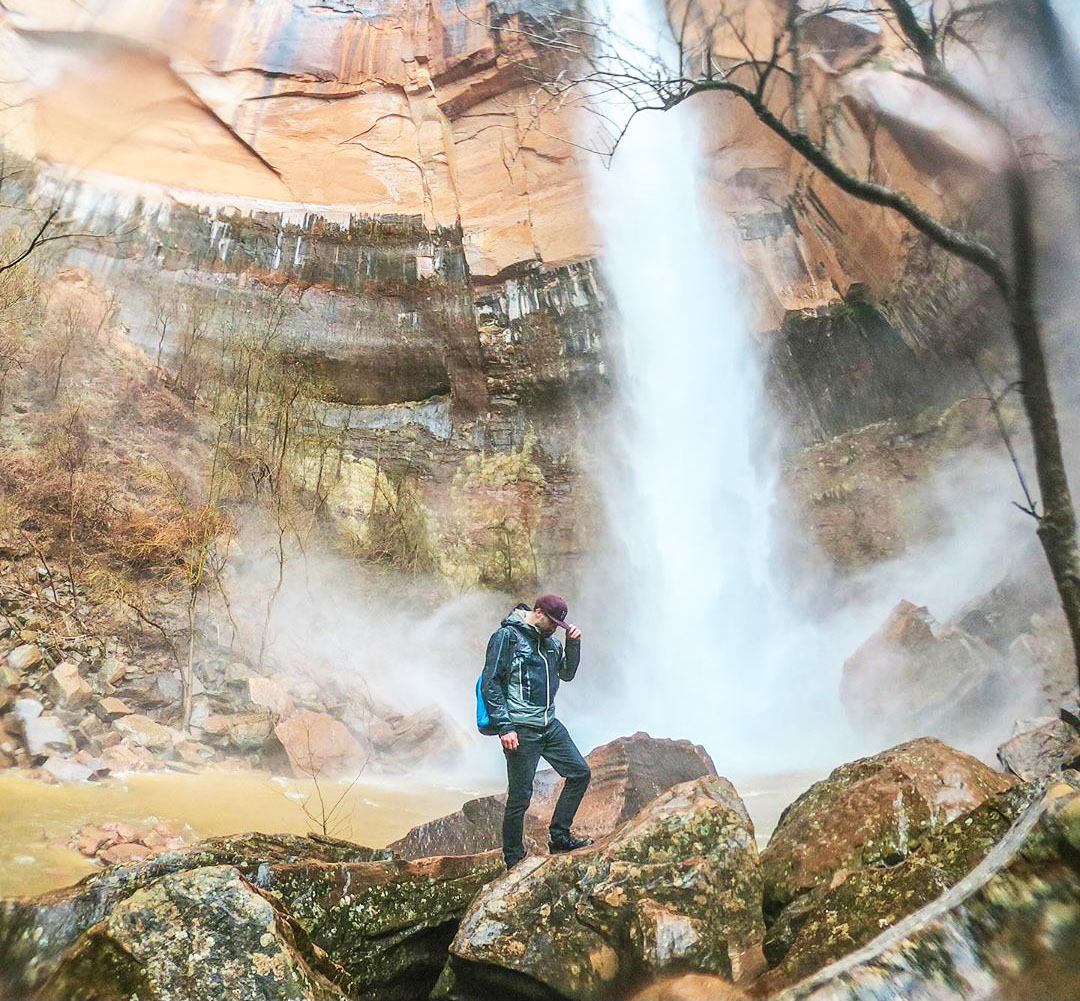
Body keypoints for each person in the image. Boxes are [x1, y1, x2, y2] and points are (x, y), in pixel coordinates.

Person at [481, 593, 592, 869]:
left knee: (580, 773)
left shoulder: (551, 644)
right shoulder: (506, 637)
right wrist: (505, 726)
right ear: (538, 612)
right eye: (553, 622)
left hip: (548, 725)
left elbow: (567, 674)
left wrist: (573, 644)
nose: (555, 628)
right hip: (520, 728)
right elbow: (491, 683)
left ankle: (559, 837)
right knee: (520, 797)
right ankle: (513, 859)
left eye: (559, 625)